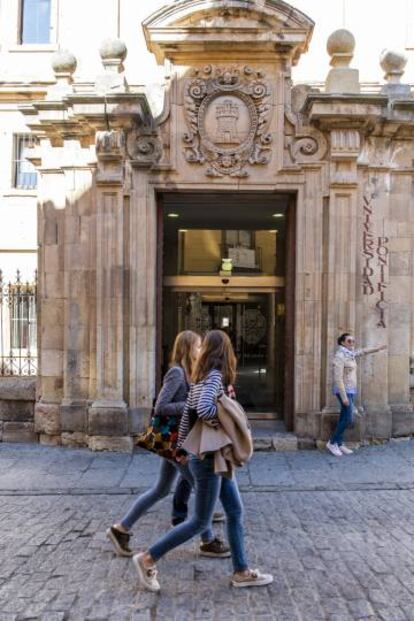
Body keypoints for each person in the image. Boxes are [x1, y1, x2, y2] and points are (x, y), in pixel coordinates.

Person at [132, 330, 273, 592]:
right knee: (199, 521)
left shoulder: (198, 376)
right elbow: (205, 409)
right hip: (210, 459)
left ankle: (241, 570)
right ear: (225, 351)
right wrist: (224, 424)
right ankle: (148, 557)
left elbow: (187, 415)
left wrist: (184, 447)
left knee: (234, 511)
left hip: (207, 456)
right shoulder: (215, 376)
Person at [106, 330, 229, 559]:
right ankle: (208, 540)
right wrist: (189, 405)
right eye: (197, 345)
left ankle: (120, 528)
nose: (201, 349)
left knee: (161, 489)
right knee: (200, 486)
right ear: (187, 348)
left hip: (175, 442)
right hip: (173, 442)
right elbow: (161, 406)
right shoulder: (176, 373)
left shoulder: (190, 373)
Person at [327, 333, 387, 457]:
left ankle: (339, 443)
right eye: (349, 341)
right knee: (348, 418)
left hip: (350, 390)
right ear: (342, 343)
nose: (352, 343)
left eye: (353, 341)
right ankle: (332, 442)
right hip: (343, 391)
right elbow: (338, 379)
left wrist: (378, 348)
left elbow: (363, 351)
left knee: (344, 417)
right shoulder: (340, 356)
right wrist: (344, 397)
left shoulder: (350, 354)